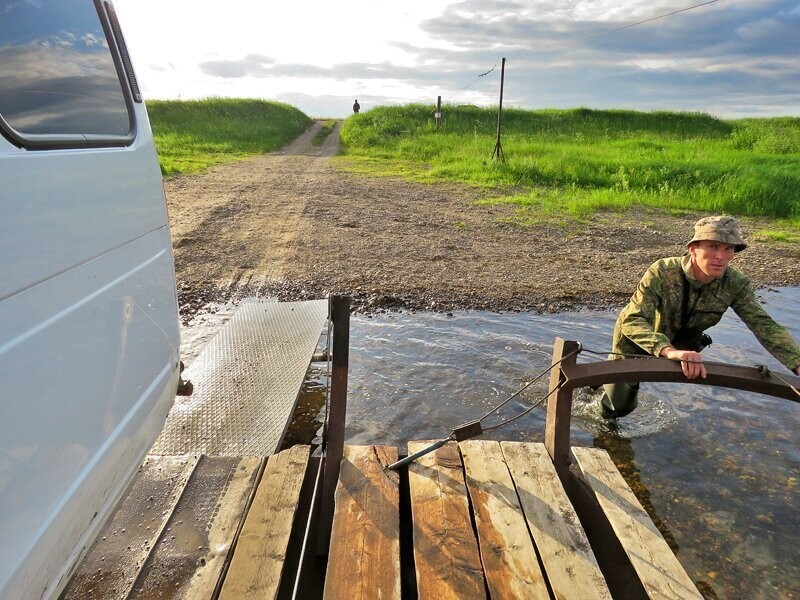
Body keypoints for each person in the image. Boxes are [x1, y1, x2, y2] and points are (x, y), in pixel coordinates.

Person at [600, 215, 800, 418]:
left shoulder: (735, 284)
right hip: (638, 340)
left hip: (682, 346)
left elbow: (763, 325)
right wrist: (668, 351)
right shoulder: (662, 272)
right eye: (713, 246)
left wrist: (797, 362)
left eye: (728, 248)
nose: (720, 256)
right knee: (619, 406)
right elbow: (633, 320)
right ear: (693, 248)